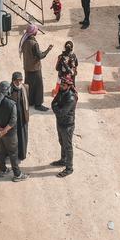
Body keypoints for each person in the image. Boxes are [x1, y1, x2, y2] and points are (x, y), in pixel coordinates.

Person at [0, 81, 26, 182]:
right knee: (13, 153)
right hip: (10, 134)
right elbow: (13, 121)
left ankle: (3, 170)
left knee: (0, 152)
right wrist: (4, 131)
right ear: (8, 90)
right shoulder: (11, 103)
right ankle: (17, 174)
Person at [51, 47, 77, 178]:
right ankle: (63, 159)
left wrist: (56, 109)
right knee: (61, 142)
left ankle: (69, 167)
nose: (61, 86)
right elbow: (53, 103)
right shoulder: (62, 92)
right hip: (60, 122)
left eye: (63, 84)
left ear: (68, 85)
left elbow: (60, 111)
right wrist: (56, 109)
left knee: (68, 146)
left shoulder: (71, 97)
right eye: (61, 84)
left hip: (67, 124)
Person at [20, 23, 52, 111]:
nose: (37, 32)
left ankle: (30, 101)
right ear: (34, 32)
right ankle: (38, 104)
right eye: (36, 30)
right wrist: (48, 50)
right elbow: (40, 56)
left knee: (29, 86)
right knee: (38, 86)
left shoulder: (24, 40)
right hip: (35, 68)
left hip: (27, 67)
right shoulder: (34, 43)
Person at [8, 73, 29, 161]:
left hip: (23, 117)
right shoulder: (9, 90)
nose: (18, 82)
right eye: (16, 80)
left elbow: (27, 102)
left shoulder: (25, 87)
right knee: (12, 137)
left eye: (20, 80)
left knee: (22, 136)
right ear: (13, 80)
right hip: (12, 118)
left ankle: (21, 154)